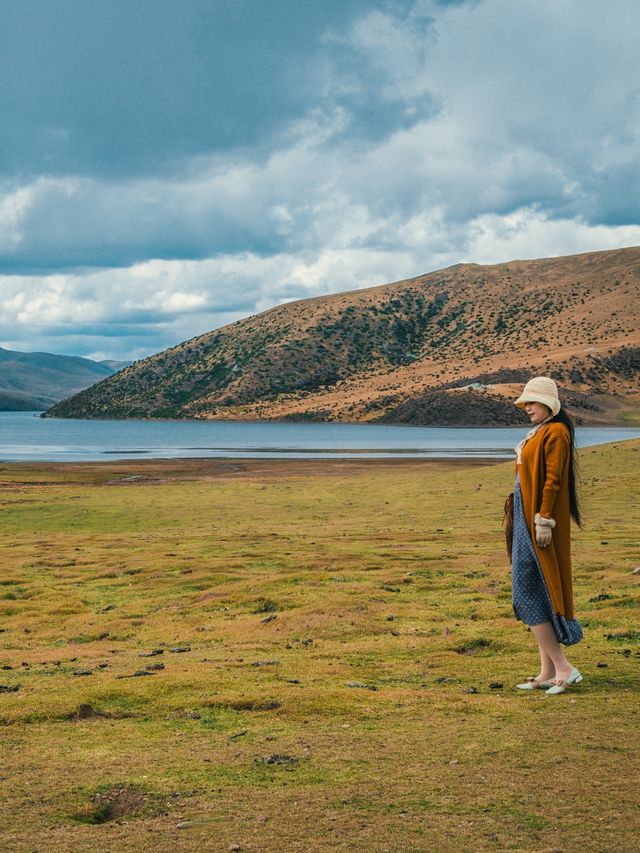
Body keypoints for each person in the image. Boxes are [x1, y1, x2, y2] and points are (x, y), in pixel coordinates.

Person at [508, 376, 584, 695]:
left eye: (532, 402)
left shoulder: (557, 432)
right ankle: (547, 671)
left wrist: (545, 519)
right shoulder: (541, 432)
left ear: (549, 404)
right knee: (537, 591)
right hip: (527, 519)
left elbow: (553, 480)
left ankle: (565, 667)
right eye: (525, 402)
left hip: (538, 522)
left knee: (526, 590)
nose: (527, 407)